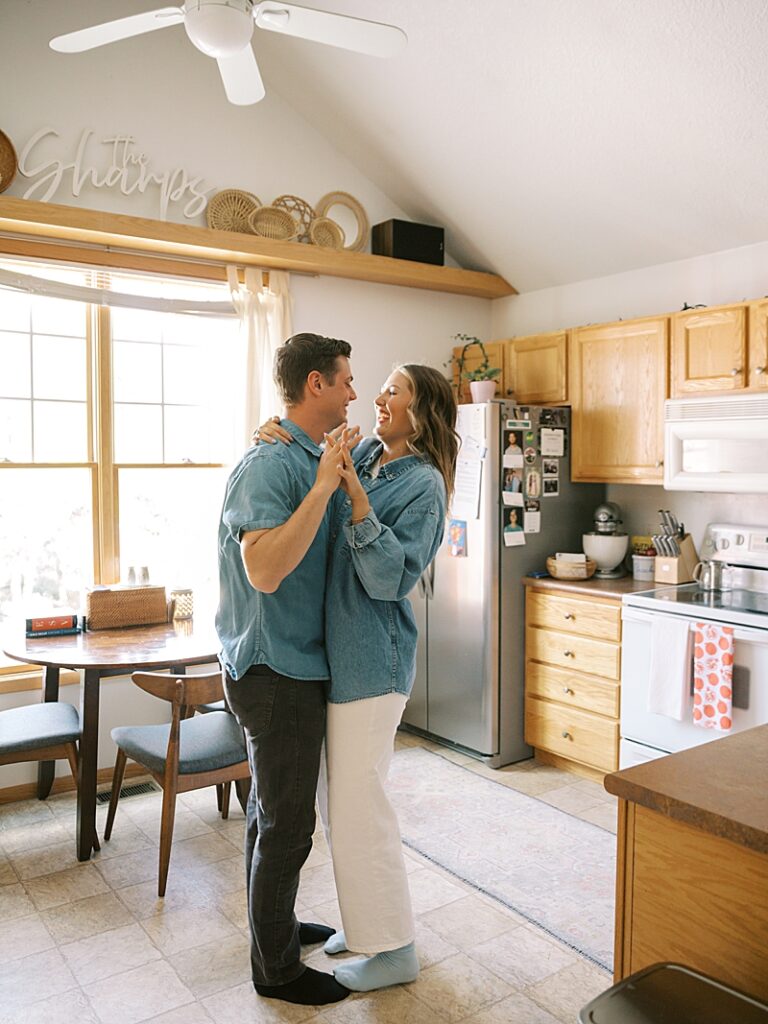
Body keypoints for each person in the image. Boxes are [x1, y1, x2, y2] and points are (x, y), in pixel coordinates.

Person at [258, 364, 458, 993]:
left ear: (420, 410)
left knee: (360, 808)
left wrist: (361, 505)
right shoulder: (367, 450)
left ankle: (394, 949)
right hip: (338, 660)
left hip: (374, 662)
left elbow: (392, 579)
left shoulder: (423, 486)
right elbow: (313, 452)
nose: (377, 396)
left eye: (393, 390)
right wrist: (273, 433)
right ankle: (366, 924)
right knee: (338, 804)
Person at [216, 332, 358, 1007]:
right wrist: (324, 484)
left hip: (288, 665)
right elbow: (265, 570)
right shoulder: (269, 465)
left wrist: (335, 473)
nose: (355, 392)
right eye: (346, 380)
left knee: (269, 816)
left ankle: (273, 926)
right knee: (286, 825)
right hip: (275, 670)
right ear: (315, 385)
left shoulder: (304, 453)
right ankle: (276, 971)